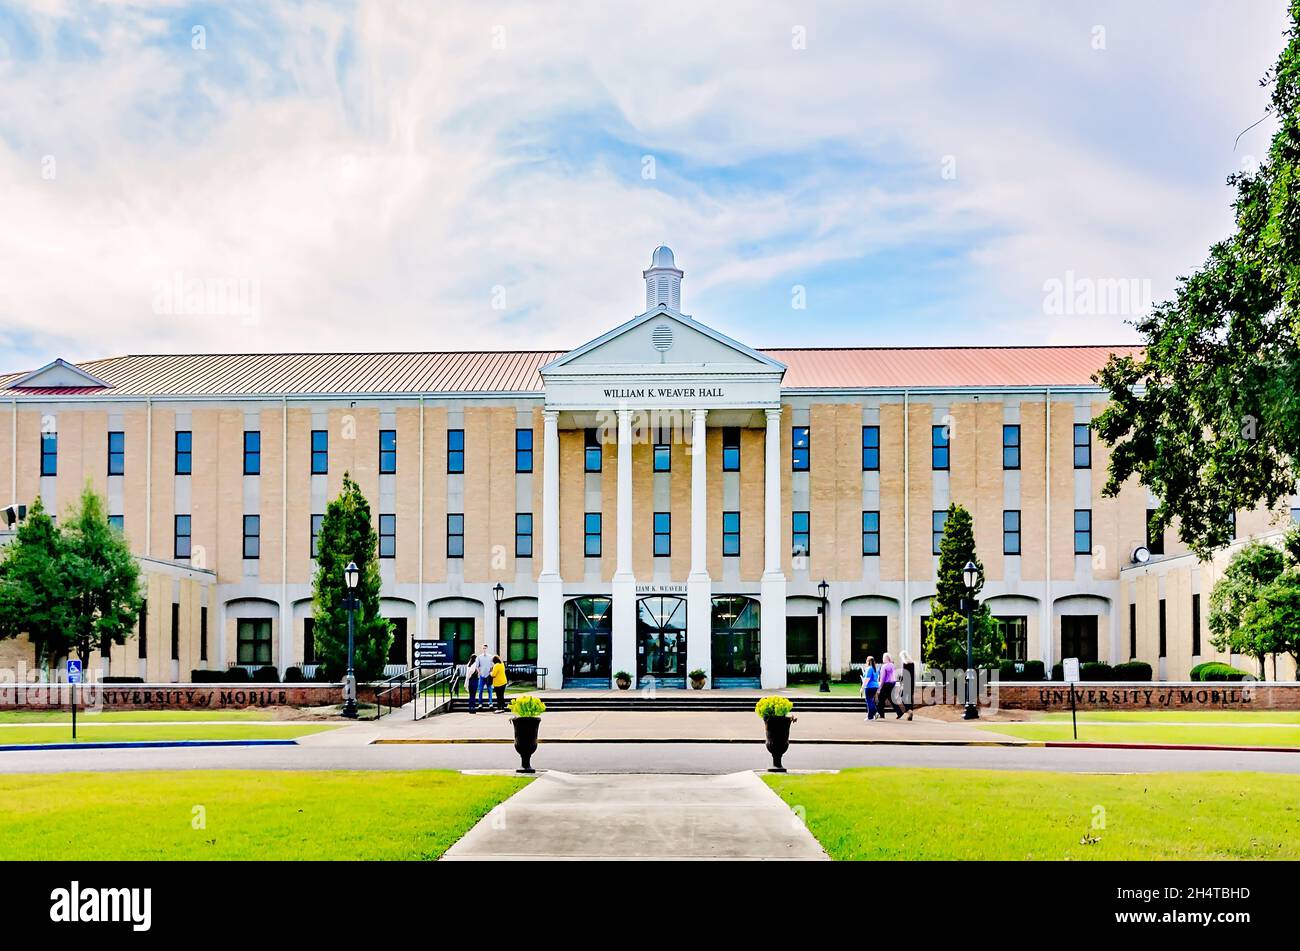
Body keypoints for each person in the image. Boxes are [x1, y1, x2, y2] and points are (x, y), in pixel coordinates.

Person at [878, 652, 903, 720]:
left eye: (883, 658)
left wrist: (880, 687)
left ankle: (881, 714)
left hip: (886, 684)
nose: (882, 659)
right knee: (891, 699)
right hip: (892, 683)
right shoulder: (892, 665)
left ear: (886, 658)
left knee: (881, 699)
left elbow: (882, 678)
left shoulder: (884, 666)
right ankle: (899, 712)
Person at [860, 656, 880, 721]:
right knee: (871, 701)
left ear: (868, 661)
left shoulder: (869, 669)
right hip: (875, 686)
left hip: (869, 686)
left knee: (869, 701)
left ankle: (870, 716)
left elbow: (867, 679)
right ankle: (874, 713)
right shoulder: (874, 669)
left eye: (866, 660)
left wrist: (862, 688)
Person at [475, 645, 494, 710]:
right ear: (482, 649)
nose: (484, 649)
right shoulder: (479, 657)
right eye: (483, 648)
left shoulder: (490, 657)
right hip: (482, 676)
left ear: (487, 649)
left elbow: (492, 666)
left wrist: (491, 672)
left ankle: (490, 703)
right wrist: (479, 672)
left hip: (488, 676)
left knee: (490, 690)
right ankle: (480, 704)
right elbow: (477, 666)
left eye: (485, 648)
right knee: (480, 690)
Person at [899, 649, 916, 721]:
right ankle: (910, 716)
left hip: (906, 682)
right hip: (911, 682)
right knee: (910, 698)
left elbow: (904, 674)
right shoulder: (912, 663)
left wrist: (901, 683)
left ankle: (909, 710)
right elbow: (914, 674)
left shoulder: (905, 663)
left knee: (902, 697)